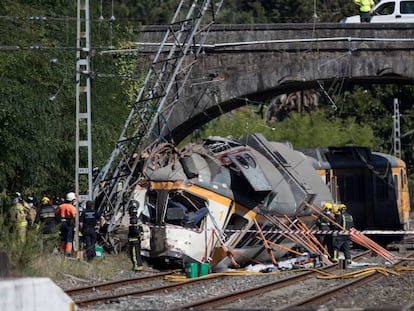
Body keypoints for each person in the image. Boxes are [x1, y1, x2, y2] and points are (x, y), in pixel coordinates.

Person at [56, 192, 77, 256]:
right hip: (69, 225)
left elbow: (57, 214)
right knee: (69, 239)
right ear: (72, 200)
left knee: (63, 239)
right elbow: (74, 217)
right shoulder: (72, 207)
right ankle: (68, 253)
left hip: (61, 224)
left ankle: (62, 252)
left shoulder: (60, 206)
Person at [128, 202, 143, 271]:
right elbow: (141, 230)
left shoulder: (133, 220)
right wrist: (140, 236)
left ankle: (136, 267)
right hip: (137, 240)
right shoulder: (138, 219)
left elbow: (134, 230)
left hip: (133, 240)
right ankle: (139, 266)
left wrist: (136, 235)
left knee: (134, 254)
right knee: (138, 253)